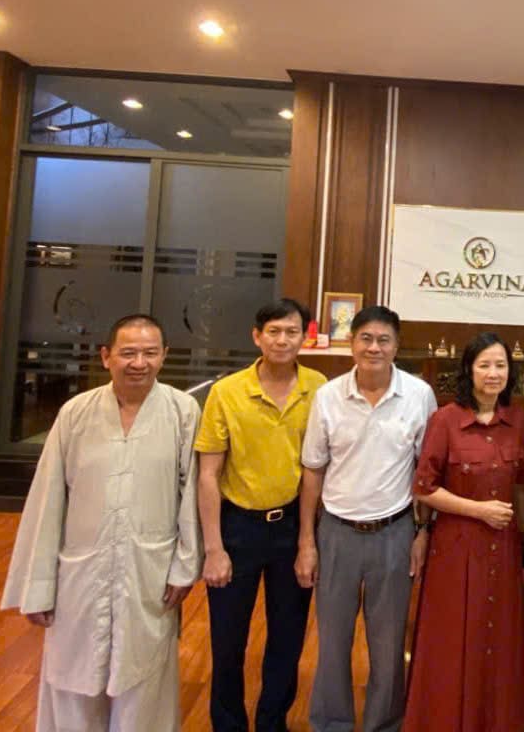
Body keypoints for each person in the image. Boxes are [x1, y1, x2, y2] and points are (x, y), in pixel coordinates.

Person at [1, 314, 201, 732]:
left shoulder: (182, 411)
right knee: (73, 675)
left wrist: (185, 566)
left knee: (143, 676)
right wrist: (38, 586)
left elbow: (192, 496)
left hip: (149, 568)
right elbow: (47, 499)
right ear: (106, 356)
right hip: (81, 567)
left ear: (164, 356)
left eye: (150, 353)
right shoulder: (76, 412)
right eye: (128, 353)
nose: (139, 363)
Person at [296, 304, 437, 732]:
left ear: (397, 346)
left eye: (384, 340)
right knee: (332, 641)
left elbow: (426, 473)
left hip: (394, 532)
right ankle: (331, 723)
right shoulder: (328, 396)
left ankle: (384, 724)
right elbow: (313, 469)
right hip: (336, 532)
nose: (374, 348)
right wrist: (307, 541)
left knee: (388, 643)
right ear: (352, 342)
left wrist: (422, 532)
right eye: (366, 339)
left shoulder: (419, 395)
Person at [195, 297, 327, 732]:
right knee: (227, 637)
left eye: (292, 332)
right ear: (257, 336)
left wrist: (307, 542)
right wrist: (213, 548)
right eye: (274, 331)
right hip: (238, 527)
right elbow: (208, 474)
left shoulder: (319, 388)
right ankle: (227, 723)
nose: (282, 340)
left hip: (292, 525)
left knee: (288, 636)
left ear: (304, 337)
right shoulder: (227, 391)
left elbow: (316, 469)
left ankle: (273, 721)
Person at [403, 331, 524, 732]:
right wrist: (478, 511)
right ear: (469, 370)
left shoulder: (516, 419)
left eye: (501, 365)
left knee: (501, 639)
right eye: (484, 365)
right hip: (457, 546)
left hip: (504, 545)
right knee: (453, 638)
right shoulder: (445, 420)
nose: (493, 373)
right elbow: (424, 488)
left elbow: (520, 483)